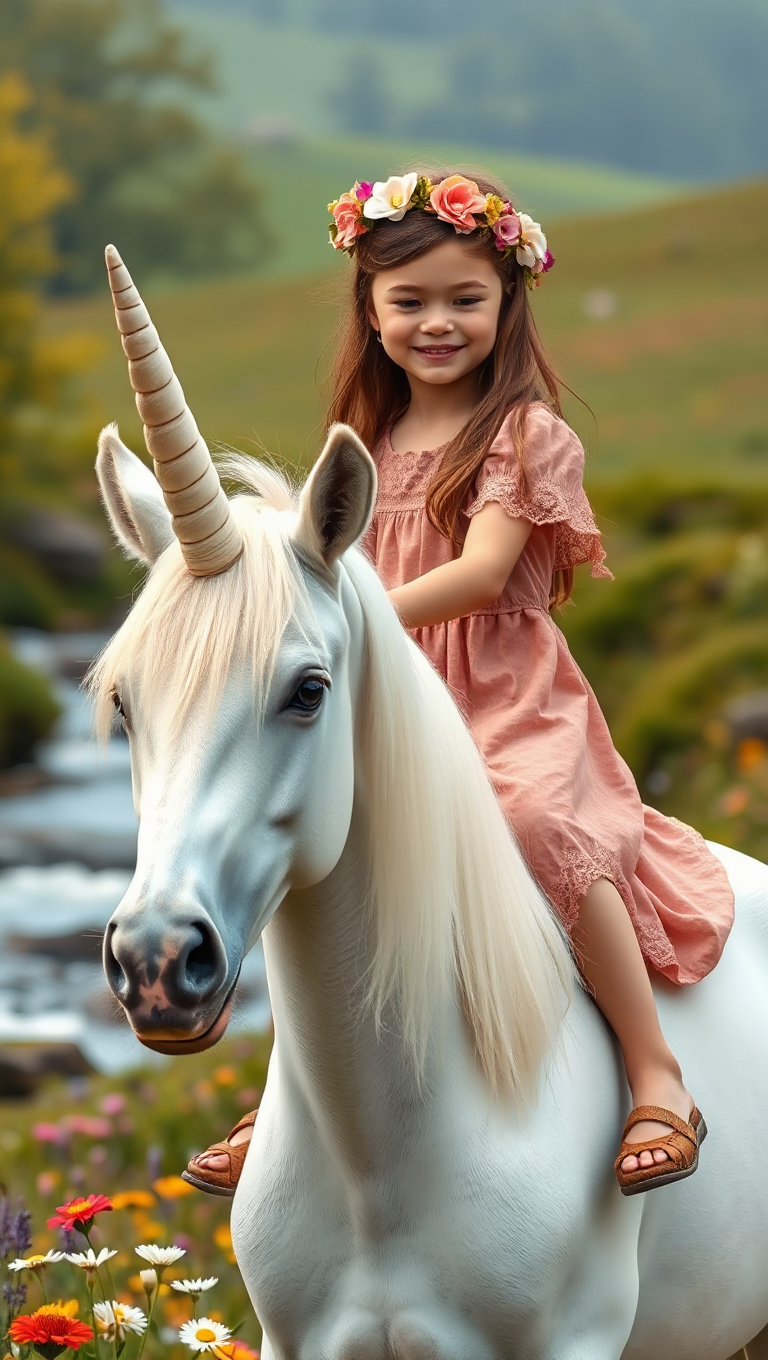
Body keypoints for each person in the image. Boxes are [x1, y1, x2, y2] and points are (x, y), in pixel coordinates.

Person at [183, 168, 734, 1200]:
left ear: (507, 304)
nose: (437, 322)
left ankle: (655, 1069)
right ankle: (285, 1091)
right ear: (372, 311)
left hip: (500, 693)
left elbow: (483, 575)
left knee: (533, 820)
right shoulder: (366, 446)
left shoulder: (523, 436)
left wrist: (351, 624)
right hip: (387, 704)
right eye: (410, 301)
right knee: (313, 846)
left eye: (464, 299)